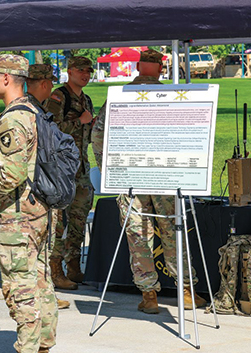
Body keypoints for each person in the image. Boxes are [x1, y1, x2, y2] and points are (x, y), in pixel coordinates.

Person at [90, 49, 206, 314]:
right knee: (173, 231)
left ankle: (149, 294)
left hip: (131, 175)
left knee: (139, 235)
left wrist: (108, 171)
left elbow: (98, 135)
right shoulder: (172, 98)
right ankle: (187, 290)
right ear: (161, 67)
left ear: (139, 66)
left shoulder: (119, 97)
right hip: (165, 175)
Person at [0, 55, 58, 353]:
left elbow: (11, 175)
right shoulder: (35, 111)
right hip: (38, 211)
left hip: (18, 217)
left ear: (7, 78)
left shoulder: (12, 120)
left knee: (19, 287)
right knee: (40, 282)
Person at [44, 56, 95, 290]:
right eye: (80, 70)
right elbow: (50, 129)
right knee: (59, 222)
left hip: (81, 168)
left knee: (79, 217)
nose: (85, 74)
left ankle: (73, 264)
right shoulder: (59, 97)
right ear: (70, 71)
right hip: (61, 170)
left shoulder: (87, 99)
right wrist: (81, 122)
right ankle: (55, 269)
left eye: (89, 71)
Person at [26, 63, 70, 310]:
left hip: (44, 187)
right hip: (39, 190)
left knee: (45, 246)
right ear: (44, 84)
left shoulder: (36, 108)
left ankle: (46, 293)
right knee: (41, 247)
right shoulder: (32, 111)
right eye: (50, 82)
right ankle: (40, 296)